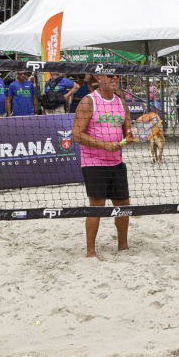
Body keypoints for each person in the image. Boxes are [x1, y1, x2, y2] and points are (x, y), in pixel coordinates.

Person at [71, 74, 132, 260]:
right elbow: (76, 135)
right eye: (110, 75)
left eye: (117, 75)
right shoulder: (88, 101)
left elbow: (127, 131)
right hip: (93, 162)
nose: (115, 78)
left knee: (123, 205)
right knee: (97, 205)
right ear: (99, 77)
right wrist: (104, 145)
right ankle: (91, 252)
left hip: (115, 161)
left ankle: (123, 246)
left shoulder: (121, 102)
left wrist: (131, 136)